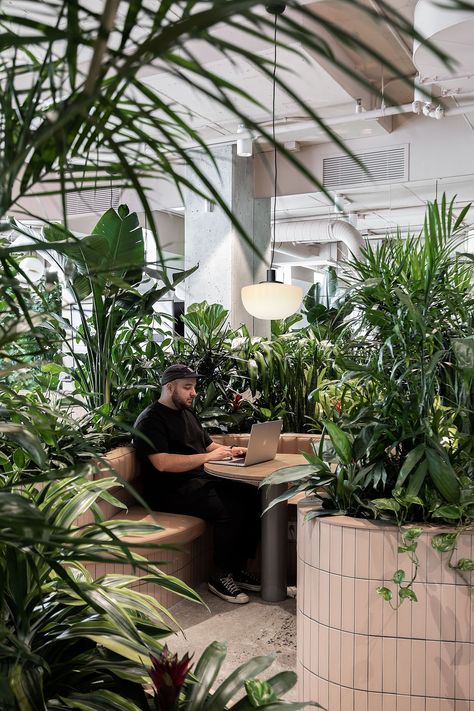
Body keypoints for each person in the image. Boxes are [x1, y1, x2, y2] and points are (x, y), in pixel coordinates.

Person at [133, 363, 261, 604]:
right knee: (228, 508)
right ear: (170, 387)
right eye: (187, 387)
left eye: (194, 387)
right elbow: (162, 463)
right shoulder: (150, 420)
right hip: (167, 492)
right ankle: (219, 576)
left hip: (195, 482)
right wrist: (208, 457)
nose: (193, 393)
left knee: (252, 495)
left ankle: (237, 569)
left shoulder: (187, 413)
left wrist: (234, 451)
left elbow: (209, 446)